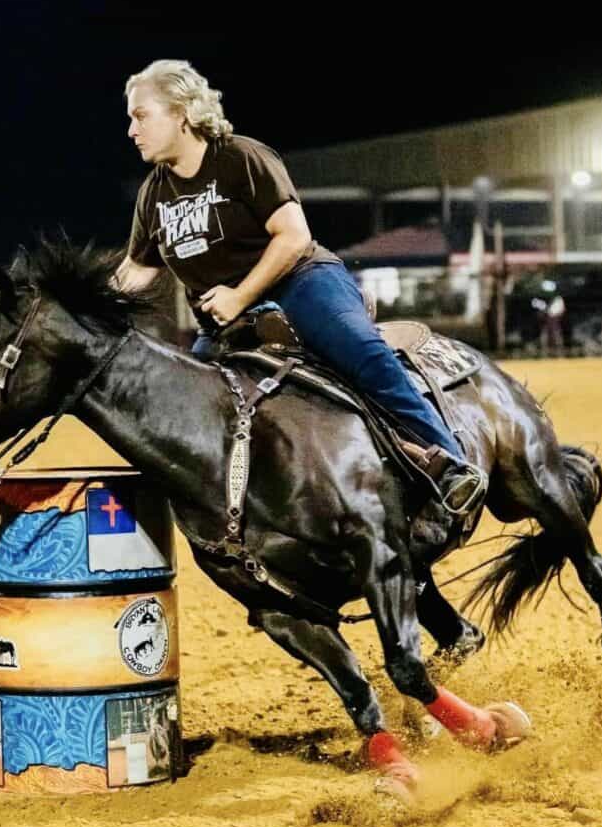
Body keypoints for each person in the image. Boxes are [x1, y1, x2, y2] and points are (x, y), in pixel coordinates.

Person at [111, 59, 485, 519]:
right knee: (191, 408)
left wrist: (239, 296)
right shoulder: (154, 194)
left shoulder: (241, 158)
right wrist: (77, 306)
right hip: (229, 320)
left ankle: (450, 466)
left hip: (300, 282)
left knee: (360, 350)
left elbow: (294, 237)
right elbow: (136, 270)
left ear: (182, 112)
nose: (131, 129)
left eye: (140, 115)